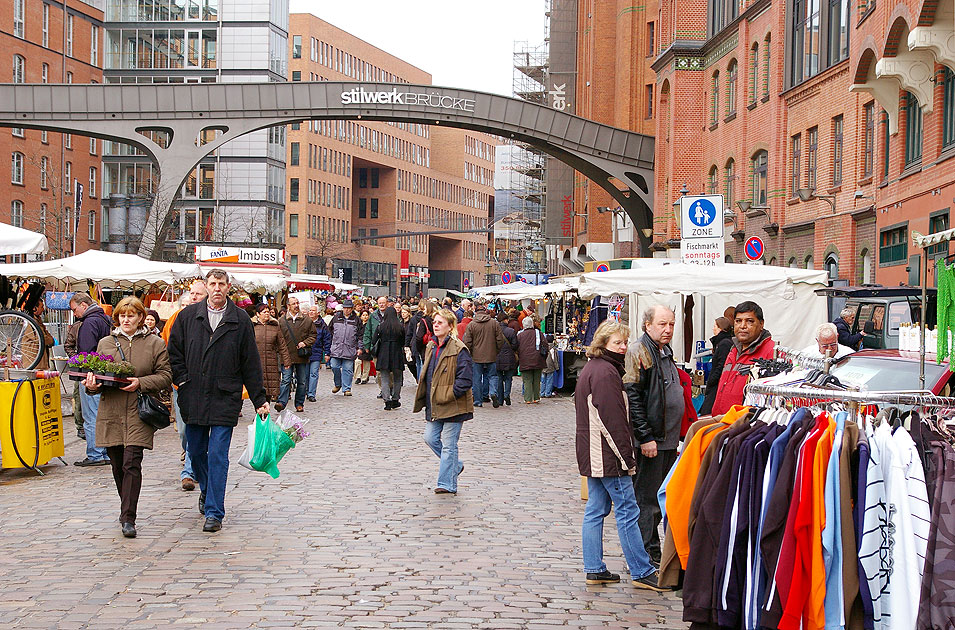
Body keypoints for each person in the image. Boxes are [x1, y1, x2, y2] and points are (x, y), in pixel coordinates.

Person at [168, 269, 269, 533]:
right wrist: (183, 380)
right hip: (194, 395)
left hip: (225, 395)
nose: (216, 288)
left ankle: (214, 511)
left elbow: (251, 362)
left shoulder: (240, 320)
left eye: (221, 284)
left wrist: (259, 398)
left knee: (218, 455)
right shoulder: (187, 317)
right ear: (206, 286)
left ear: (228, 288)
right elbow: (174, 353)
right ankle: (207, 488)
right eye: (212, 284)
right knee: (196, 452)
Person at [575, 319, 666, 591]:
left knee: (596, 510)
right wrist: (627, 460)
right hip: (607, 456)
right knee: (627, 510)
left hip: (595, 453)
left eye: (625, 342)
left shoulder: (597, 368)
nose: (624, 347)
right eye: (618, 342)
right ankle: (641, 570)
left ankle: (595, 568)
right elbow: (612, 421)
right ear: (604, 344)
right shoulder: (605, 372)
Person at [83, 297, 172, 538]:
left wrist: (140, 383)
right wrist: (91, 386)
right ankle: (127, 506)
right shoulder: (105, 343)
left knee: (132, 462)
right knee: (117, 464)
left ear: (141, 318)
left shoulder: (154, 343)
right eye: (122, 315)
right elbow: (99, 380)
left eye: (131, 315)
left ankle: (128, 517)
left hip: (139, 412)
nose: (126, 319)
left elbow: (165, 375)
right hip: (111, 411)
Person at [623, 305, 686, 564]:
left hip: (668, 438)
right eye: (662, 324)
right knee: (647, 499)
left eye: (671, 324)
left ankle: (653, 548)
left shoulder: (664, 351)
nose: (668, 329)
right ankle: (645, 554)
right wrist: (645, 436)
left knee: (662, 496)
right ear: (647, 325)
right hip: (653, 440)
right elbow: (634, 397)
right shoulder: (640, 351)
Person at [414, 309, 473, 494]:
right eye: (435, 322)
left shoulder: (459, 348)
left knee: (449, 445)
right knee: (430, 438)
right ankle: (455, 465)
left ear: (450, 327)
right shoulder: (431, 346)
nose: (436, 325)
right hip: (435, 403)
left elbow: (465, 379)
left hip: (454, 405)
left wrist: (450, 394)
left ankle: (446, 484)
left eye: (440, 323)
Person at [162, 282, 207, 491]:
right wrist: (178, 377)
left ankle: (189, 470)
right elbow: (168, 347)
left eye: (198, 293)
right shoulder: (177, 318)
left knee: (195, 428)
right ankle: (192, 458)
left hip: (204, 385)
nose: (194, 296)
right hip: (181, 384)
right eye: (192, 293)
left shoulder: (211, 317)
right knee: (183, 431)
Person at [70, 292, 114, 467]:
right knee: (101, 414)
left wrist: (81, 366)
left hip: (91, 375)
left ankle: (96, 453)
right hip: (104, 373)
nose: (74, 314)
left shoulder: (89, 323)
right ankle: (104, 451)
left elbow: (87, 352)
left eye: (75, 310)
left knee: (91, 416)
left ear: (83, 305)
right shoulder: (105, 318)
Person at [710, 300, 774, 416]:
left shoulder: (771, 352)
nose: (743, 326)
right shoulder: (733, 349)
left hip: (746, 426)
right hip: (722, 421)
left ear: (761, 324)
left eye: (749, 321)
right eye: (738, 321)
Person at [462, 298, 506, 407]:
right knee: (492, 376)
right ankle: (492, 392)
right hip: (491, 355)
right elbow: (500, 340)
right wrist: (496, 350)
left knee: (476, 378)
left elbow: (467, 342)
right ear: (485, 311)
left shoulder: (472, 325)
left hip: (476, 356)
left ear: (476, 312)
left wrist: (470, 353)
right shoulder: (494, 323)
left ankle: (478, 400)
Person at [276, 296, 316, 413]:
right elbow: (278, 338)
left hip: (301, 356)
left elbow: (313, 335)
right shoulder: (282, 321)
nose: (296, 305)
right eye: (293, 303)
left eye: (297, 303)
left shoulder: (306, 320)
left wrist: (305, 343)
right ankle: (281, 402)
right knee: (286, 380)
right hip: (287, 356)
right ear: (288, 306)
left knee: (302, 381)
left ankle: (299, 403)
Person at [252, 303, 291, 403]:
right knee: (257, 389)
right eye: (264, 312)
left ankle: (265, 412)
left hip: (271, 362)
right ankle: (259, 412)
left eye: (268, 312)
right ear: (258, 314)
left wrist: (286, 361)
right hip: (256, 362)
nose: (267, 314)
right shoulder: (252, 326)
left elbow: (282, 344)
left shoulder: (275, 326)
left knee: (269, 390)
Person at [699, 316, 735, 416]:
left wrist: (711, 381)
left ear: (720, 328)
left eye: (715, 326)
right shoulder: (723, 342)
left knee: (708, 413)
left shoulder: (724, 344)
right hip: (717, 384)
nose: (713, 328)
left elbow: (722, 366)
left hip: (717, 385)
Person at [373, 306, 407, 410]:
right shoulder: (400, 326)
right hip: (396, 353)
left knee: (385, 378)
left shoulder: (381, 326)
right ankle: (396, 399)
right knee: (397, 378)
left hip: (384, 353)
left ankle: (387, 400)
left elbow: (374, 340)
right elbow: (403, 341)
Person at [328, 298, 360, 396]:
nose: (346, 310)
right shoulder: (336, 318)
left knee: (348, 369)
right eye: (345, 308)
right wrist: (329, 345)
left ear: (352, 309)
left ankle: (346, 388)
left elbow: (360, 335)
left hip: (350, 348)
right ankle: (338, 384)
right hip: (336, 348)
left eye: (349, 308)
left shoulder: (356, 320)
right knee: (334, 366)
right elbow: (329, 332)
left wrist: (359, 347)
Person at [517, 316, 548, 403]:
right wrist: (544, 357)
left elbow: (516, 347)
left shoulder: (520, 335)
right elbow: (545, 345)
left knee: (527, 380)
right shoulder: (539, 333)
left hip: (525, 360)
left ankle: (528, 398)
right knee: (537, 379)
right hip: (538, 359)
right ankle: (536, 397)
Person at [65, 318, 85, 439]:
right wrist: (77, 360)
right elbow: (68, 345)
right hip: (81, 369)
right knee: (79, 397)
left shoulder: (103, 321)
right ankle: (80, 426)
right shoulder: (77, 326)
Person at [306, 305, 331, 402]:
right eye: (310, 310)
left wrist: (327, 353)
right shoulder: (304, 322)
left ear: (318, 313)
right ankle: (306, 391)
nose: (311, 312)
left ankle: (311, 393)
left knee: (314, 373)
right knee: (306, 374)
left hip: (316, 352)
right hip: (305, 352)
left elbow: (327, 339)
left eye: (313, 311)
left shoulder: (322, 325)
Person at [494, 311, 519, 406]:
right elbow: (515, 345)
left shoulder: (494, 331)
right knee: (508, 378)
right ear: (505, 320)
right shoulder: (511, 331)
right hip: (509, 358)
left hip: (497, 358)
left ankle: (500, 400)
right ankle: (506, 394)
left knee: (499, 379)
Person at [355, 309, 374, 385]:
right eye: (363, 315)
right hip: (359, 345)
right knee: (357, 361)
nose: (365, 317)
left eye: (366, 315)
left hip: (367, 345)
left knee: (366, 362)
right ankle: (358, 376)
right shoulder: (358, 325)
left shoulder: (370, 325)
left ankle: (364, 378)